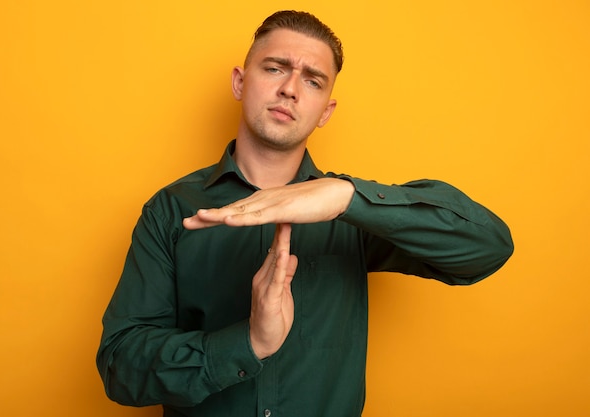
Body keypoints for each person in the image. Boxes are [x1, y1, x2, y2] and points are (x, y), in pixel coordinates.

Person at [96, 10, 513, 417]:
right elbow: (120, 366)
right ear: (240, 82)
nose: (291, 89)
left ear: (325, 111)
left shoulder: (350, 214)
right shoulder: (173, 210)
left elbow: (488, 247)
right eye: (275, 68)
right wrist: (248, 343)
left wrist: (347, 198)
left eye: (312, 80)